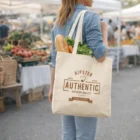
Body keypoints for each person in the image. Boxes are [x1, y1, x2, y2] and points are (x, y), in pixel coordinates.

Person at [49, 0, 108, 140]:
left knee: (68, 133)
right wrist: (104, 32)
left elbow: (54, 61)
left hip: (65, 84)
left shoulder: (59, 22)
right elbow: (100, 55)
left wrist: (52, 88)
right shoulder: (90, 17)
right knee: (85, 135)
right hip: (84, 85)